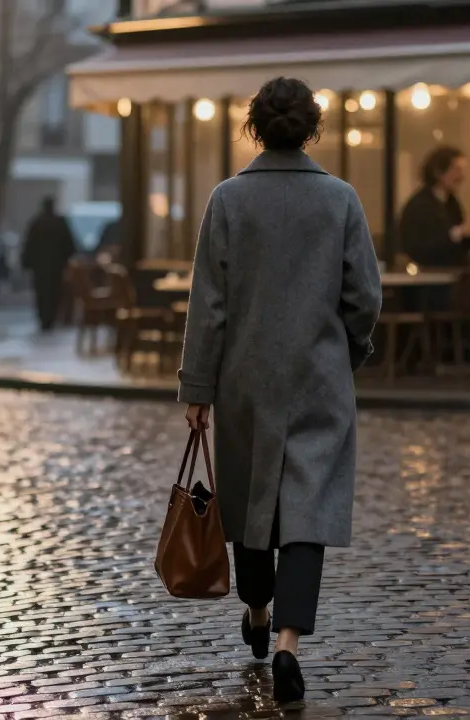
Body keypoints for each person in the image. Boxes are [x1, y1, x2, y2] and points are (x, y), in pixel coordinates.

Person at [178, 76, 382, 703]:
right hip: (318, 376)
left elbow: (208, 304)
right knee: (306, 509)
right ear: (312, 130)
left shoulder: (228, 201)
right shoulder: (341, 200)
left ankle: (258, 615)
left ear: (254, 129)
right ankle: (288, 641)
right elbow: (364, 297)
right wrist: (348, 352)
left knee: (249, 503)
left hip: (245, 378)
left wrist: (198, 387)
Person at [398, 146, 470, 268]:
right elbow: (420, 247)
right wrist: (458, 233)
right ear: (438, 172)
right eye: (457, 170)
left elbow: (457, 247)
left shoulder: (452, 203)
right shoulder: (419, 205)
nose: (462, 176)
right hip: (428, 278)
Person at [21, 197, 77, 331]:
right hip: (56, 267)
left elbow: (29, 245)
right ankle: (50, 318)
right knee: (54, 293)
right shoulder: (60, 223)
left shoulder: (36, 223)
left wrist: (26, 263)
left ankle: (43, 318)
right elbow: (69, 245)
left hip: (39, 267)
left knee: (41, 294)